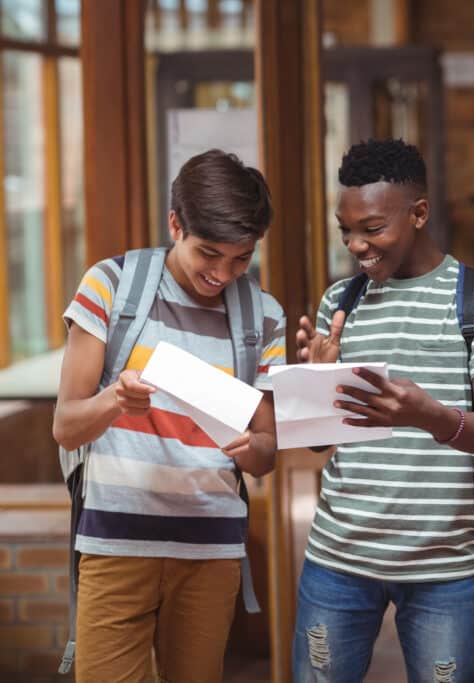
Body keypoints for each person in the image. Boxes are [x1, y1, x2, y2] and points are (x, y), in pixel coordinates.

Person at [290, 138, 474, 683]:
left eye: (372, 229)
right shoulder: (338, 304)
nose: (356, 245)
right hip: (338, 560)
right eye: (345, 230)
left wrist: (426, 414)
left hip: (444, 567)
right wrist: (318, 386)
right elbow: (318, 445)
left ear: (418, 213)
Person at [52, 149, 285, 682]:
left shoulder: (263, 315)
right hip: (115, 543)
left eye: (241, 258)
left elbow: (267, 452)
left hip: (210, 552)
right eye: (209, 254)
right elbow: (65, 425)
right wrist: (116, 400)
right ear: (175, 223)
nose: (222, 274)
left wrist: (256, 450)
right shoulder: (111, 286)